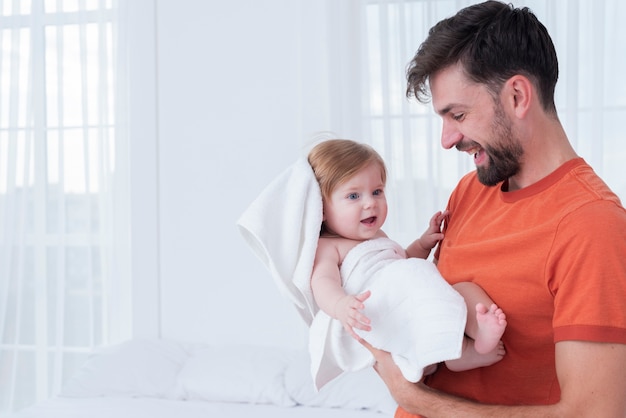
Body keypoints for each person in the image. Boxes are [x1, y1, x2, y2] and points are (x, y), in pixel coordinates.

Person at [359, 1, 626, 417]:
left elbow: (593, 413)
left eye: (458, 114)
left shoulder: (591, 225)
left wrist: (412, 397)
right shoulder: (469, 191)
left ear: (517, 96)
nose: (447, 140)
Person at [308, 138, 507, 378]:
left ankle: (479, 334)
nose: (370, 203)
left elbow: (402, 262)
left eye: (377, 191)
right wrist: (340, 305)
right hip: (379, 313)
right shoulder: (328, 247)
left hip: (407, 302)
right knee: (420, 285)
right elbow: (322, 283)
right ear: (321, 209)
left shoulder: (378, 236)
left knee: (463, 290)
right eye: (353, 196)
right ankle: (463, 352)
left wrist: (423, 243)